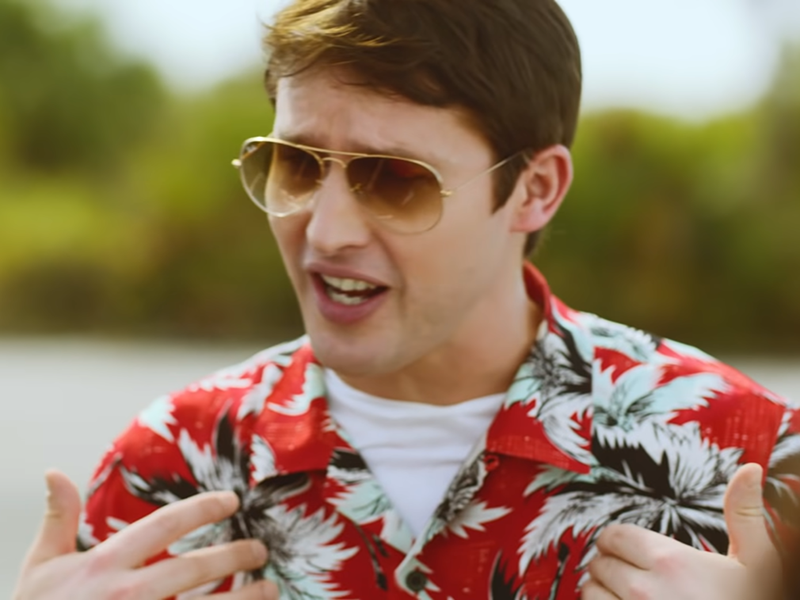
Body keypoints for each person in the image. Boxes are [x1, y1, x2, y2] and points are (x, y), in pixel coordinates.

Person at [14, 0, 800, 598]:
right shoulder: (170, 463)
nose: (326, 230)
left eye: (394, 179)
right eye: (296, 165)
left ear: (535, 189)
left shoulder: (755, 460)